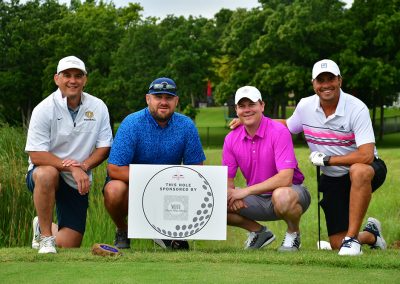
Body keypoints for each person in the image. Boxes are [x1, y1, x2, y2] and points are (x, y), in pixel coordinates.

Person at [286, 59, 387, 255]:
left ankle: (351, 239)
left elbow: (366, 155)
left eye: (331, 78)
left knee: (358, 170)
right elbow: (285, 127)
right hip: (333, 179)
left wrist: (328, 160)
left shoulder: (356, 108)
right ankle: (371, 235)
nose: (326, 85)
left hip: (368, 170)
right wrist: (250, 120)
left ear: (340, 80)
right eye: (320, 80)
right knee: (335, 244)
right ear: (313, 83)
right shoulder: (305, 106)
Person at [103, 77, 206, 250]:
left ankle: (170, 232)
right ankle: (123, 229)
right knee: (114, 190)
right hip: (134, 187)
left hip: (170, 190)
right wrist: (154, 181)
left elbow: (196, 169)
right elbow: (114, 169)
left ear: (176, 101)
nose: (163, 102)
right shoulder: (131, 123)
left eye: (169, 98)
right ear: (148, 99)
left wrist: (170, 182)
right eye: (158, 97)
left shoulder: (187, 125)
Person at [25, 56, 113, 254]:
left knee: (69, 243)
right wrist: (72, 167)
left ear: (85, 80)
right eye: (67, 75)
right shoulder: (43, 109)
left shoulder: (98, 106)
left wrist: (84, 166)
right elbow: (36, 154)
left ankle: (42, 225)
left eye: (78, 76)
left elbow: (104, 147)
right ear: (57, 78)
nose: (73, 80)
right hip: (44, 174)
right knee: (47, 173)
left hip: (77, 179)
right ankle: (47, 239)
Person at [223, 86, 311, 251]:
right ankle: (258, 232)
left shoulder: (279, 131)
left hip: (291, 193)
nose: (247, 110)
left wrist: (244, 192)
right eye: (242, 106)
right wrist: (231, 195)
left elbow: (286, 179)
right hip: (256, 199)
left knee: (281, 195)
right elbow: (228, 180)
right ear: (236, 110)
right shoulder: (231, 139)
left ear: (262, 105)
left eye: (252, 104)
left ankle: (293, 234)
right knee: (215, 201)